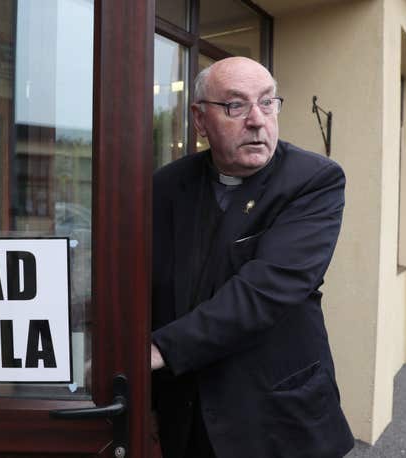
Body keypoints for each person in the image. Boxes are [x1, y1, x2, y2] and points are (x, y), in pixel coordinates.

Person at [150, 56, 355, 458]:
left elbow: (266, 289)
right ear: (199, 119)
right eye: (235, 105)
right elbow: (150, 286)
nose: (258, 120)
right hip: (188, 417)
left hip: (275, 418)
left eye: (267, 102)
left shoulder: (314, 180)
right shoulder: (167, 185)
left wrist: (160, 350)